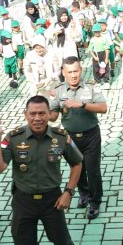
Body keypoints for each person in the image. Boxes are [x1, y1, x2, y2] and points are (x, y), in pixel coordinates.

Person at [0, 96, 83, 245]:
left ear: (50, 114)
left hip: (53, 200)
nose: (38, 118)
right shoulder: (13, 138)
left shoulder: (61, 137)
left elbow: (77, 163)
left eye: (42, 113)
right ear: (26, 115)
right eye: (33, 113)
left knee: (63, 243)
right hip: (23, 202)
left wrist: (69, 191)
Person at [49, 57, 108, 219]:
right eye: (70, 72)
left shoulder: (91, 87)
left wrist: (82, 104)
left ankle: (95, 202)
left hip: (91, 136)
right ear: (63, 73)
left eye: (76, 71)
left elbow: (103, 108)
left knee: (92, 170)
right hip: (69, 138)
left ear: (81, 70)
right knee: (77, 167)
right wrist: (43, 110)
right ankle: (84, 194)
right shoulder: (59, 90)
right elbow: (53, 117)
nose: (73, 75)